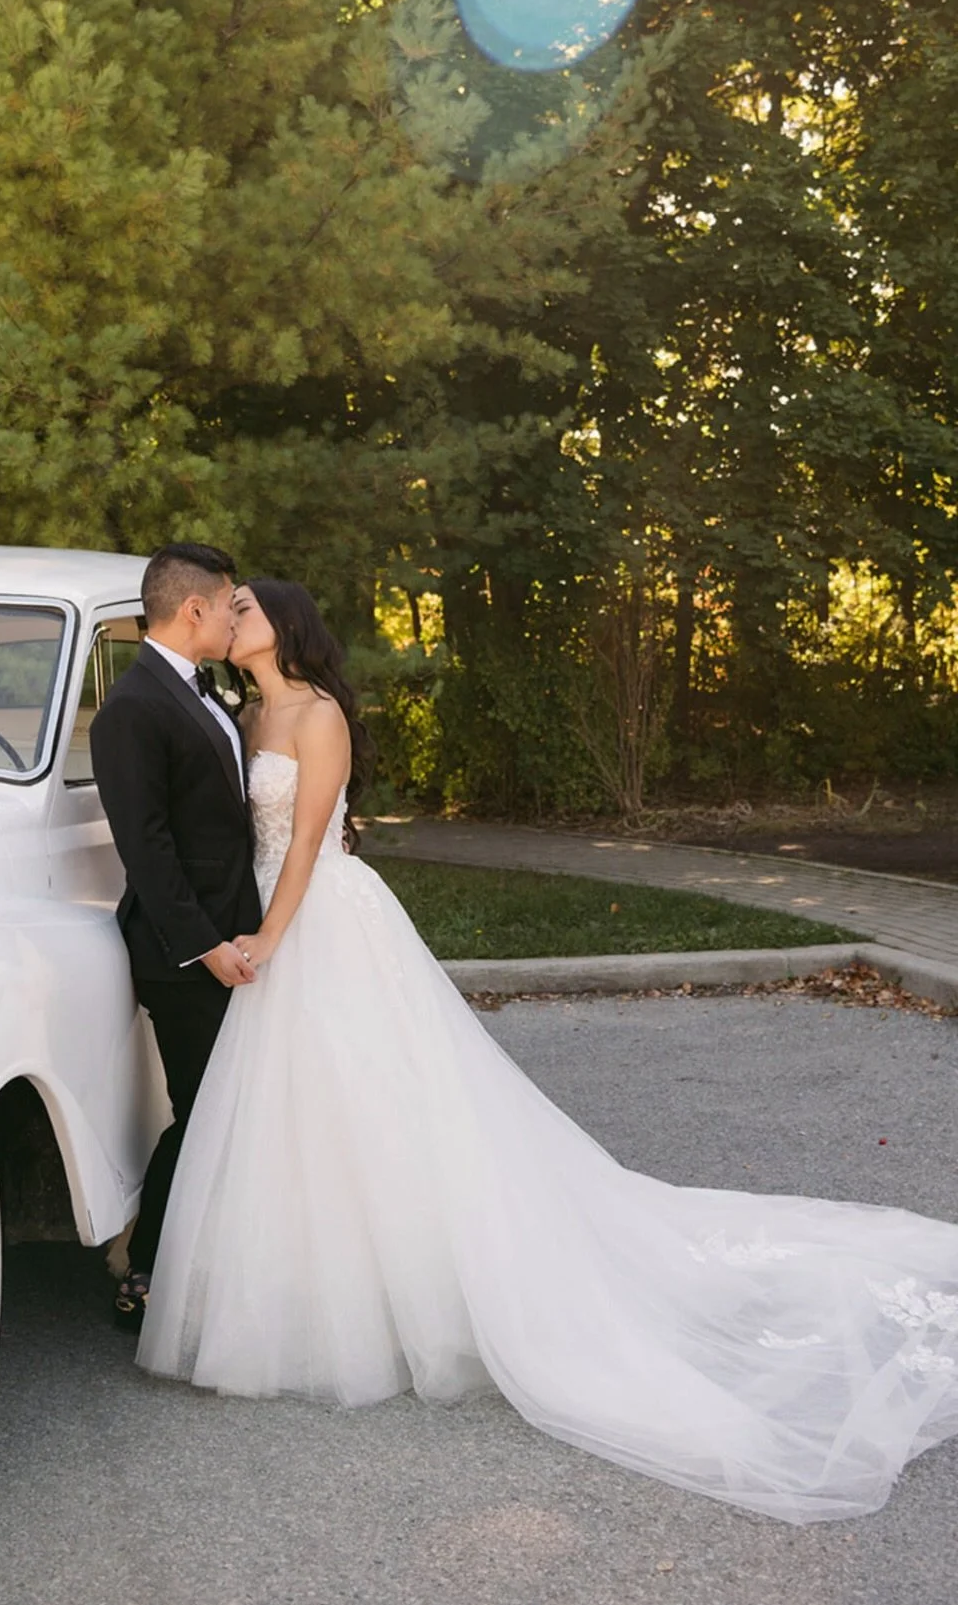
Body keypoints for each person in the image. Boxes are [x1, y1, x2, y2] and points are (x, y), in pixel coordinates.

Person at [136, 577, 958, 1524]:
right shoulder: (238, 712)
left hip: (318, 921)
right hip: (266, 922)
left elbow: (310, 841)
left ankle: (425, 1299)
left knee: (382, 1099)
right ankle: (306, 1300)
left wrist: (270, 941)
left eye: (245, 605)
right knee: (308, 1116)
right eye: (225, 606)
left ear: (286, 622)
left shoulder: (317, 714)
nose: (230, 615)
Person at [90, 543, 262, 1331]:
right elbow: (147, 847)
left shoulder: (207, 694)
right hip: (181, 956)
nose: (236, 616)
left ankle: (204, 1258)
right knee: (202, 1111)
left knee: (229, 1107)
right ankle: (147, 1264)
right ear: (194, 607)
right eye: (230, 602)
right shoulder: (132, 707)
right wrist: (207, 944)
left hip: (233, 940)